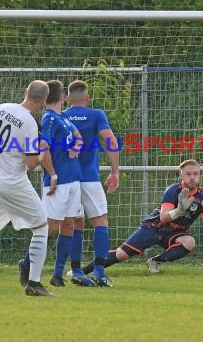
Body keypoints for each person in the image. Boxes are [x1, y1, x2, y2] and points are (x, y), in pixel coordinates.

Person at [0, 80, 52, 297]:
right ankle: (34, 282)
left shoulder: (1, 108)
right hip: (13, 183)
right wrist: (42, 151)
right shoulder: (30, 124)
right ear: (43, 101)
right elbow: (32, 163)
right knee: (41, 226)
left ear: (25, 92)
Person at [81, 159, 203, 274]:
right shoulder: (173, 191)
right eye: (188, 174)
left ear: (200, 175)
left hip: (174, 232)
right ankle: (84, 271)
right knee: (121, 255)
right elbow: (163, 218)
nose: (192, 177)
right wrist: (179, 210)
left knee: (189, 242)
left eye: (195, 174)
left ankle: (155, 261)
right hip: (153, 227)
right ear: (181, 176)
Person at [18, 80, 84, 288]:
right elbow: (42, 148)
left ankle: (57, 274)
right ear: (62, 96)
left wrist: (78, 146)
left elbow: (78, 136)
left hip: (73, 179)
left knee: (69, 225)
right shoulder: (48, 119)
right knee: (50, 228)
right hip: (58, 182)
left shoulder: (63, 118)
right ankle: (26, 263)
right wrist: (53, 174)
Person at [62, 79, 120, 287]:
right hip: (89, 177)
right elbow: (110, 141)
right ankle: (99, 271)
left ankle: (76, 271)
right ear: (87, 98)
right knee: (100, 222)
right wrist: (115, 172)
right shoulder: (96, 114)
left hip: (67, 179)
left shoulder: (60, 115)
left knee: (75, 224)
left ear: (67, 98)